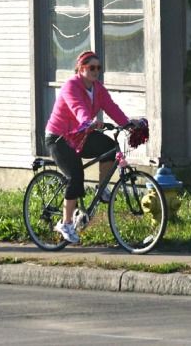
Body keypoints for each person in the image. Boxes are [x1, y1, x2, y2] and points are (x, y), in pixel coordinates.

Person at [45, 51, 140, 244]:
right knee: (75, 175)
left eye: (99, 68)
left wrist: (128, 124)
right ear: (81, 69)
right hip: (59, 138)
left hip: (80, 135)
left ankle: (101, 188)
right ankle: (66, 222)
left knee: (110, 146)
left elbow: (111, 107)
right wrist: (87, 121)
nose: (96, 71)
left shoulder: (97, 88)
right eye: (92, 67)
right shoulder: (71, 86)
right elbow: (77, 107)